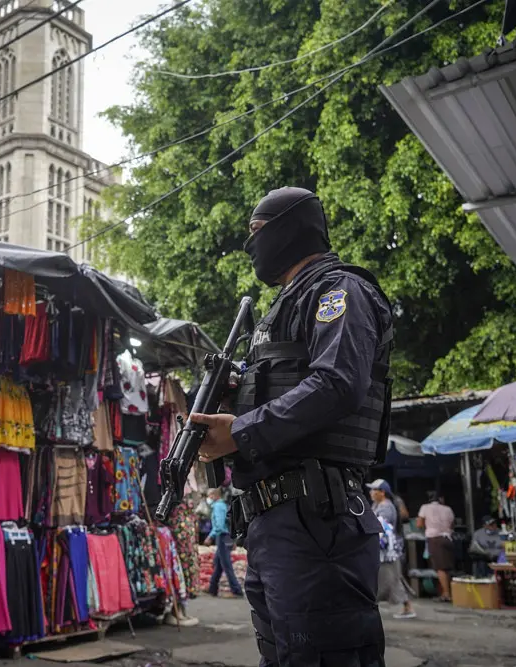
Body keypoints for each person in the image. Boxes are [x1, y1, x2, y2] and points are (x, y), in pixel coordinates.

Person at [190, 187, 393, 666]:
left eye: (256, 232)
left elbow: (338, 383)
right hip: (274, 523)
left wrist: (240, 431)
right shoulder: (281, 308)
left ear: (290, 228)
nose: (250, 245)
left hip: (316, 518)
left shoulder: (339, 290)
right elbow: (285, 388)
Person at [367, 480, 415, 619]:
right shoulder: (378, 505)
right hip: (384, 551)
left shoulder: (386, 508)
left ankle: (407, 606)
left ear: (382, 492)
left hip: (387, 551)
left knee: (389, 579)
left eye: (374, 490)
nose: (371, 493)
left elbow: (382, 528)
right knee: (391, 579)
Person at [417, 491, 456, 602]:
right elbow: (452, 524)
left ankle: (446, 594)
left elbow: (419, 524)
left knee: (440, 568)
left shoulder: (425, 507)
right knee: (447, 568)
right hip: (448, 538)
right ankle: (446, 592)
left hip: (435, 539)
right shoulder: (448, 509)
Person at [204, 488, 243, 597]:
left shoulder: (218, 506)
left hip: (222, 537)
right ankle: (212, 588)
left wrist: (210, 536)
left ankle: (236, 590)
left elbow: (219, 526)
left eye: (210, 495)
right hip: (224, 536)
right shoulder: (222, 505)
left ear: (214, 495)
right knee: (218, 563)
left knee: (226, 564)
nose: (209, 498)